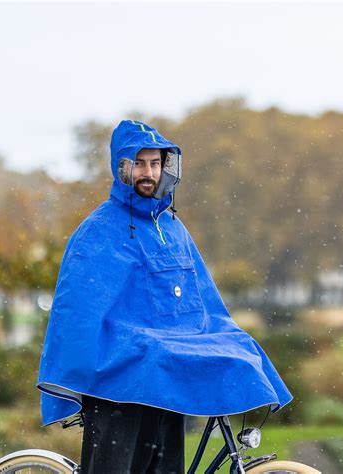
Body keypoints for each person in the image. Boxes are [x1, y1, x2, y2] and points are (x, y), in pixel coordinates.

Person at [37, 120, 292, 473]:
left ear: (166, 167)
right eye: (139, 163)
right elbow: (77, 313)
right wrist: (83, 373)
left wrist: (226, 338)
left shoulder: (173, 228)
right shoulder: (97, 232)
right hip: (118, 379)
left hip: (164, 373)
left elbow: (203, 300)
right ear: (122, 167)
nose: (148, 172)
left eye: (155, 164)